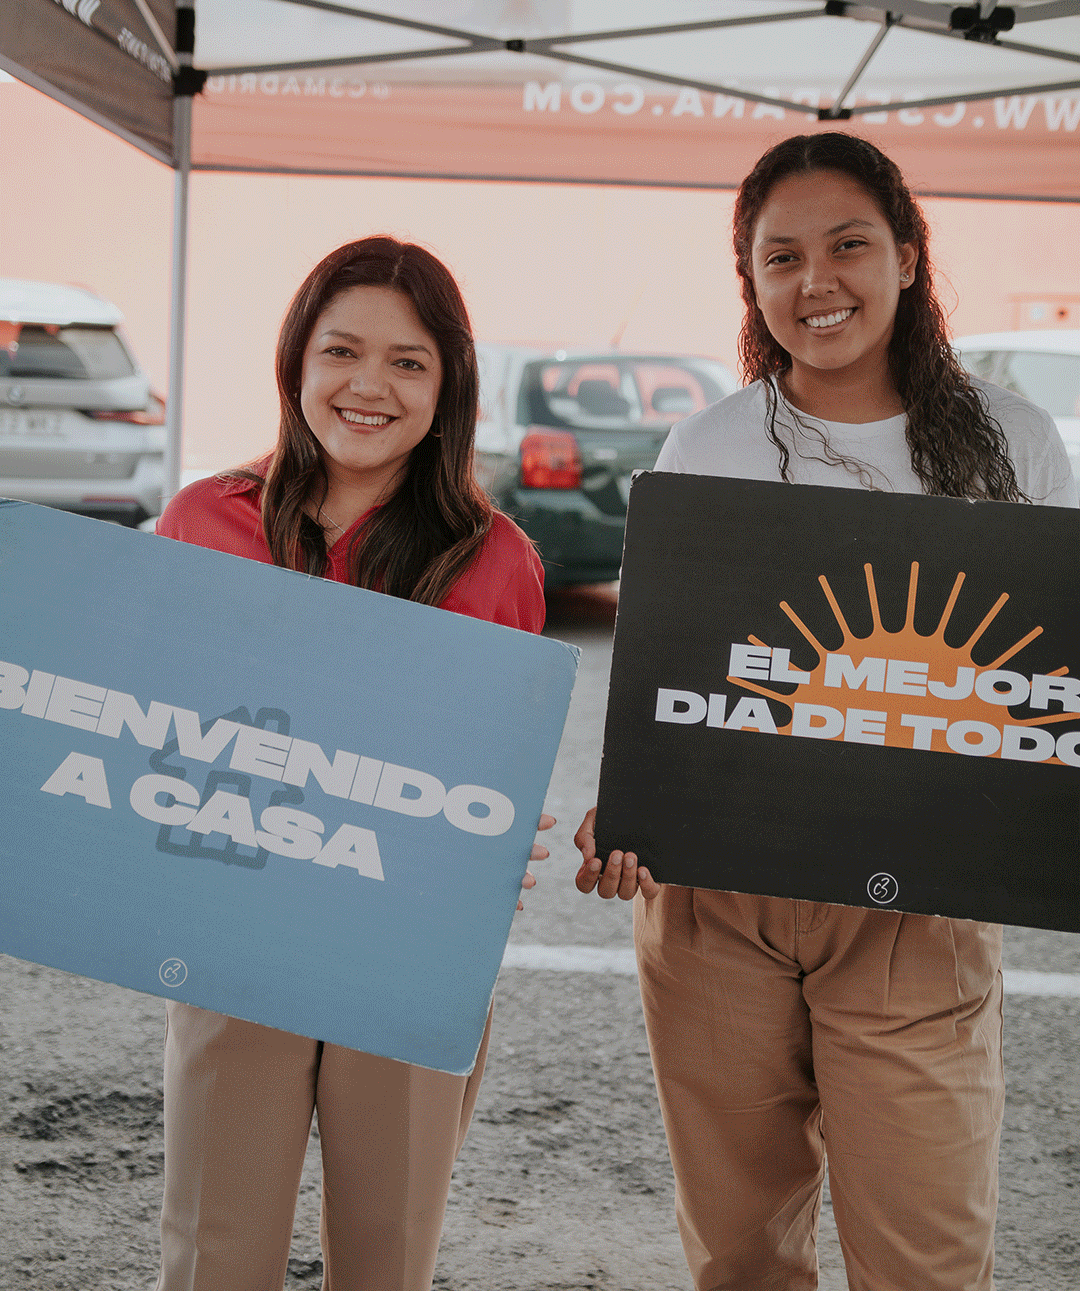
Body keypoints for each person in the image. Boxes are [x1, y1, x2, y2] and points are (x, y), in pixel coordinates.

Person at [574, 133, 1078, 1291]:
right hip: (717, 903)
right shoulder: (709, 443)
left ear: (908, 255)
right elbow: (666, 671)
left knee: (924, 1258)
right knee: (741, 1255)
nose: (817, 283)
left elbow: (1050, 677)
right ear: (750, 281)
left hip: (919, 909)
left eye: (848, 246)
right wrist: (628, 805)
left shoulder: (1015, 444)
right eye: (781, 258)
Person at [154, 235, 552, 1291]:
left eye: (408, 362)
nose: (369, 386)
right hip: (236, 934)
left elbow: (492, 766)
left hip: (411, 951)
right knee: (214, 1255)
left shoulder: (496, 559)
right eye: (341, 351)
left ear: (448, 384)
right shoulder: (202, 522)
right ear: (296, 359)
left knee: (388, 1259)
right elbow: (150, 723)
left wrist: (496, 834)